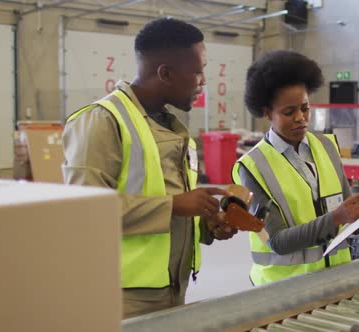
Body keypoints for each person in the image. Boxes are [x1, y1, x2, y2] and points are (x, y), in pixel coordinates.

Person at [62, 18, 237, 318]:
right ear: (166, 73)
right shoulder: (102, 121)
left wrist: (204, 223)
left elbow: (156, 197)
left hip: (172, 287)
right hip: (121, 295)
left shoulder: (167, 124)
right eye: (197, 72)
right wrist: (174, 206)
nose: (203, 81)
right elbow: (84, 212)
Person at [232, 50, 359, 286]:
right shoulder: (252, 167)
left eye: (305, 108)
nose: (301, 118)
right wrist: (337, 217)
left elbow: (348, 211)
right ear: (267, 112)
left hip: (336, 280)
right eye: (289, 112)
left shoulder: (327, 146)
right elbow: (277, 241)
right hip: (284, 290)